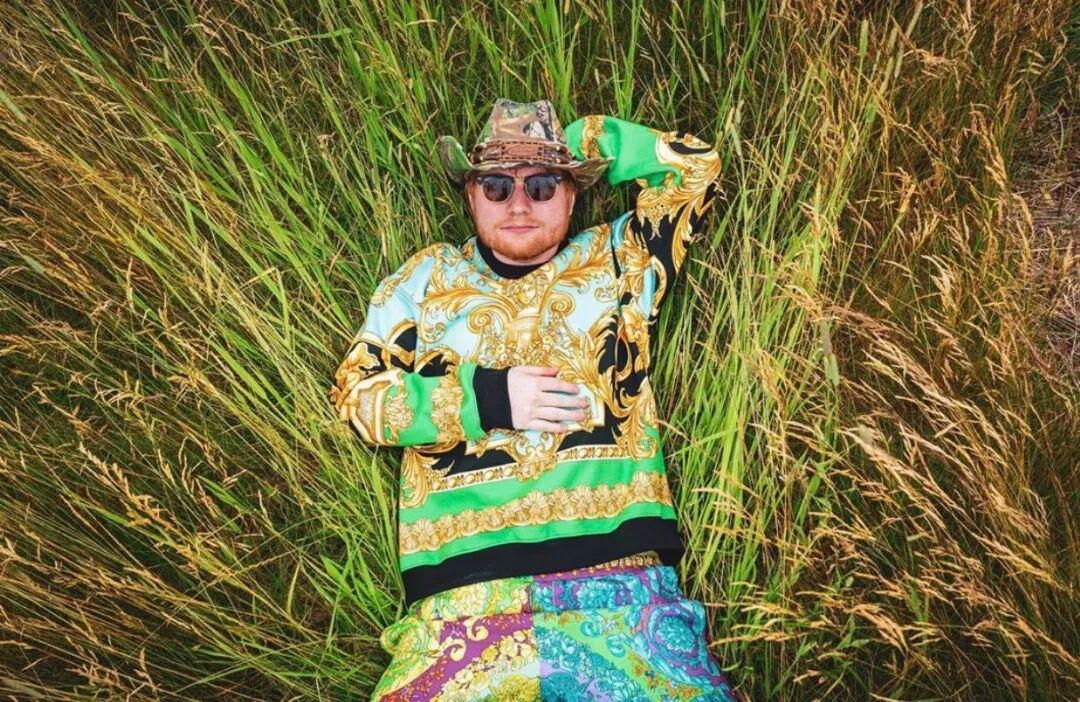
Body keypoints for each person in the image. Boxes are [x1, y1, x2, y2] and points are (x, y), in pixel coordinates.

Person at [330, 98, 736, 701]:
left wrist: (584, 142)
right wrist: (489, 399)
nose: (518, 204)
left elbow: (695, 168)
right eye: (496, 185)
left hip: (622, 589)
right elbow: (358, 396)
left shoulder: (621, 260)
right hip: (461, 604)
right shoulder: (424, 281)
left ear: (571, 196)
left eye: (543, 185)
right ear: (471, 196)